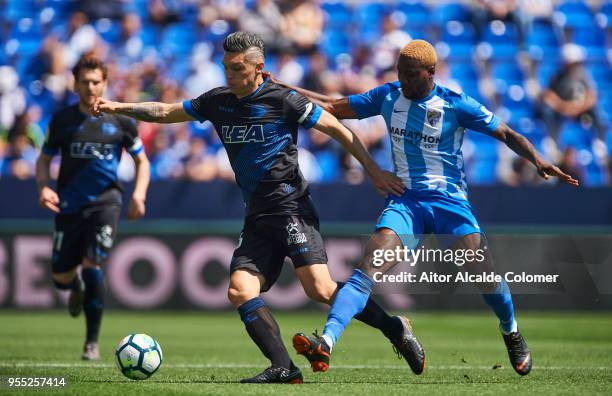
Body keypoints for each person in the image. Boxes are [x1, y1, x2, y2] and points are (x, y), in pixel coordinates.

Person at [91, 31, 425, 384]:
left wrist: (372, 170)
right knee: (239, 289)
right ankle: (285, 367)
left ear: (257, 68)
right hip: (256, 216)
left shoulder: (283, 100)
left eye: (236, 68)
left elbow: (338, 129)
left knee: (320, 290)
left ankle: (395, 329)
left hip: (292, 209)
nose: (229, 75)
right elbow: (164, 111)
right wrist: (118, 106)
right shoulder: (216, 102)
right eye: (225, 68)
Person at [276, 39, 579, 377]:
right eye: (399, 73)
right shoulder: (388, 95)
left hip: (450, 203)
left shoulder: (455, 104)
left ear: (430, 72)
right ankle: (327, 343)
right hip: (407, 202)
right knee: (366, 270)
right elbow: (333, 107)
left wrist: (538, 159)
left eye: (410, 74)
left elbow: (505, 132)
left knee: (484, 276)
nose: (403, 80)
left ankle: (511, 331)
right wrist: (282, 88)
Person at [35, 55, 150, 360]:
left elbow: (142, 161)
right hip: (69, 205)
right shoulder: (62, 120)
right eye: (84, 82)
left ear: (105, 83)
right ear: (75, 84)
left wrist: (138, 194)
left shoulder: (122, 120)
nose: (90, 87)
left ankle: (91, 342)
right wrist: (44, 186)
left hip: (106, 203)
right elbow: (44, 159)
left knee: (92, 267)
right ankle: (73, 287)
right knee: (60, 275)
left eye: (96, 81)